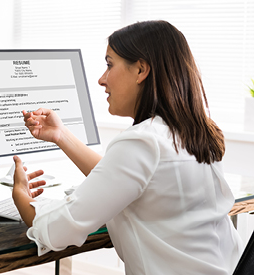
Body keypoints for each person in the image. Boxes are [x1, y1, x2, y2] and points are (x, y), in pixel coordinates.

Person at [12, 20, 242, 274]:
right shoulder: (194, 133)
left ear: (141, 70)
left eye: (110, 65)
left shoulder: (143, 142)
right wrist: (60, 135)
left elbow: (57, 231)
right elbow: (126, 179)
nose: (102, 79)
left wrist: (21, 196)